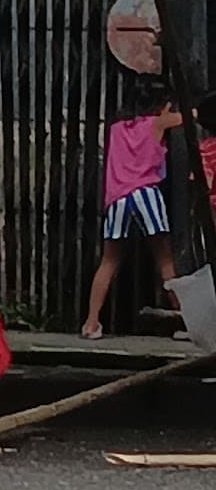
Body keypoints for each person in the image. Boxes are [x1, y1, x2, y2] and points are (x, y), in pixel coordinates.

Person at [82, 82, 182, 340]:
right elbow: (192, 118)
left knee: (109, 261)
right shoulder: (157, 123)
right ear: (161, 104)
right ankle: (186, 323)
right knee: (165, 261)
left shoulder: (116, 129)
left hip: (118, 198)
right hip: (146, 193)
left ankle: (91, 323)